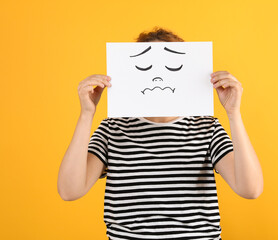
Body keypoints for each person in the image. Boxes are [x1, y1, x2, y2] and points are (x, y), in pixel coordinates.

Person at [57, 26, 263, 240]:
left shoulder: (207, 129)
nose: (157, 78)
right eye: (144, 67)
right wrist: (86, 115)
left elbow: (251, 189)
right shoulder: (112, 130)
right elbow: (69, 191)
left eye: (173, 68)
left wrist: (233, 114)